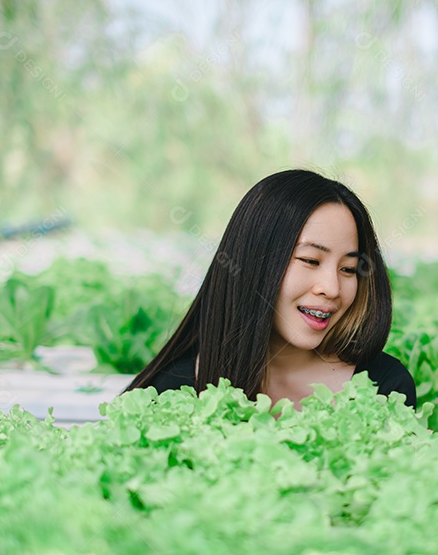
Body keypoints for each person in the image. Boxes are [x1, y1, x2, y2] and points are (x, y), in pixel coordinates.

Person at [127, 169, 416, 409]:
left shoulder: (385, 389)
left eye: (348, 269)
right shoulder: (171, 390)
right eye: (310, 260)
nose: (331, 288)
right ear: (254, 262)